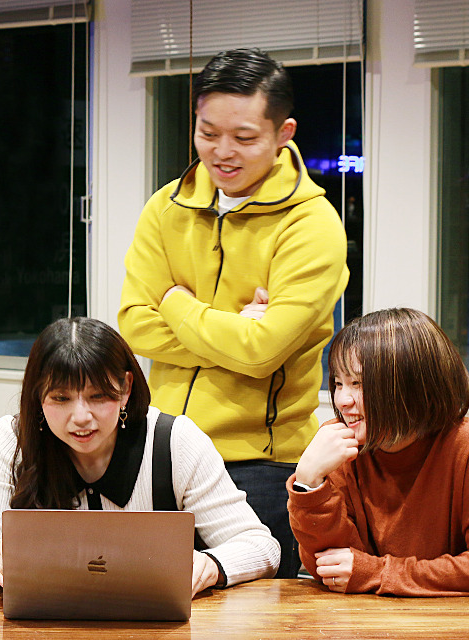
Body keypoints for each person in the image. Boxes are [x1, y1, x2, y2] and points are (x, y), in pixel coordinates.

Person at [118, 48, 349, 578]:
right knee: (146, 604)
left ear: (284, 132)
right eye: (207, 132)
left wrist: (174, 301)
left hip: (261, 465)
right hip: (163, 449)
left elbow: (262, 351)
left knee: (259, 616)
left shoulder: (312, 225)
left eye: (244, 137)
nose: (222, 152)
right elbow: (134, 325)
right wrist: (235, 330)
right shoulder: (166, 208)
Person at [0, 317, 279, 595]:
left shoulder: (175, 441)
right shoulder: (10, 442)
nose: (81, 417)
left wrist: (211, 564)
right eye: (61, 398)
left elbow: (259, 545)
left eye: (98, 396)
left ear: (125, 388)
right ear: (37, 396)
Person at [288, 308, 469, 595]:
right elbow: (331, 567)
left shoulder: (462, 445)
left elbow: (359, 571)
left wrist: (379, 573)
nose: (342, 400)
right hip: (364, 616)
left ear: (410, 385)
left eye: (357, 383)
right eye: (338, 383)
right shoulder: (340, 445)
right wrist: (308, 483)